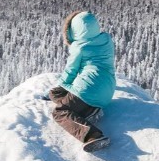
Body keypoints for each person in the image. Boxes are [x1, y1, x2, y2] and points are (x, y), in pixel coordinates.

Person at [48, 11, 115, 152]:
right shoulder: (106, 39)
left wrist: (61, 85)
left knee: (59, 112)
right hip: (108, 89)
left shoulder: (79, 46)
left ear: (74, 31)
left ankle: (92, 135)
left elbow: (70, 71)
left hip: (88, 88)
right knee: (56, 93)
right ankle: (90, 110)